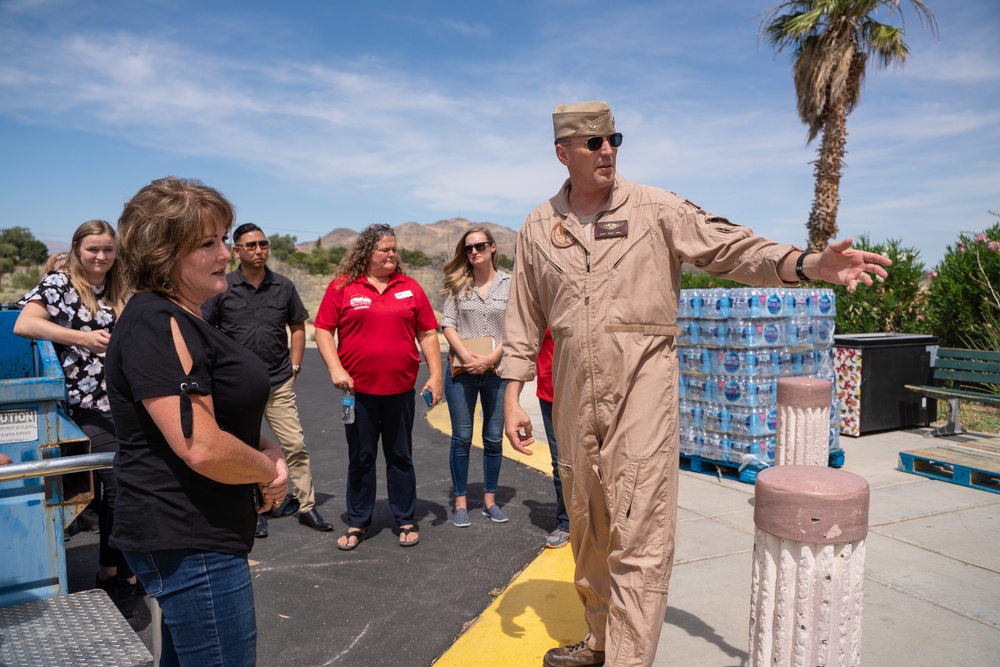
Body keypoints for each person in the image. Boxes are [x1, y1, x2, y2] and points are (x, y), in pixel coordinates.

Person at [499, 101, 892, 667]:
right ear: (563, 153)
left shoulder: (656, 209)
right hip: (572, 400)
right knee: (587, 528)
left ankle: (628, 659)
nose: (607, 149)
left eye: (613, 139)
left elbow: (732, 249)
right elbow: (523, 316)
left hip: (643, 392)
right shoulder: (539, 226)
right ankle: (601, 637)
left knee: (640, 534)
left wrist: (807, 264)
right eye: (593, 142)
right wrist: (513, 396)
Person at [107, 176, 289, 665]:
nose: (225, 254)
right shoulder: (154, 321)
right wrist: (268, 472)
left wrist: (264, 446)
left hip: (201, 535)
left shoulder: (182, 317)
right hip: (188, 539)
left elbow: (218, 411)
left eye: (222, 240)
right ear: (164, 254)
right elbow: (200, 445)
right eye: (207, 244)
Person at [14, 220, 135, 616]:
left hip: (124, 402)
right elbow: (23, 323)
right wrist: (83, 338)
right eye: (93, 250)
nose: (101, 257)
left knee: (129, 487)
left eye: (108, 250)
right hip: (83, 405)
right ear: (77, 249)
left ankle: (124, 569)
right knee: (118, 485)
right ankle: (110, 572)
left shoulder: (121, 286)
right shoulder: (59, 285)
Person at [313, 224, 442, 550]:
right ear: (366, 252)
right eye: (384, 249)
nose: (391, 255)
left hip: (399, 392)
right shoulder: (343, 287)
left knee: (401, 456)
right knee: (361, 457)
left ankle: (405, 518)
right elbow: (324, 330)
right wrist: (335, 367)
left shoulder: (410, 287)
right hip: (356, 395)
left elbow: (427, 333)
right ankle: (358, 522)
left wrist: (436, 374)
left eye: (394, 249)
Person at [203, 222, 333, 538]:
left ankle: (305, 505)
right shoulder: (222, 287)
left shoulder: (284, 286)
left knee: (295, 445)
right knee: (244, 449)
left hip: (278, 381)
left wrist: (296, 365)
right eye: (251, 245)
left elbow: (298, 326)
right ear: (236, 251)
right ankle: (254, 508)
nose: (259, 250)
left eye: (263, 244)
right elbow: (206, 331)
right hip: (237, 388)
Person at [439, 227, 510, 527]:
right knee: (462, 437)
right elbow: (448, 324)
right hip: (461, 370)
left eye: (480, 246)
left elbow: (517, 327)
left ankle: (490, 502)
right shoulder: (458, 284)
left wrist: (492, 358)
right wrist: (467, 357)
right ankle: (460, 504)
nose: (474, 252)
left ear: (493, 248)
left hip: (497, 371)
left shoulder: (511, 284)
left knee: (493, 438)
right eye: (468, 248)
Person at [536, 328, 569, 549]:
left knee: (596, 459)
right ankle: (566, 522)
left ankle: (599, 521)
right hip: (549, 393)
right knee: (560, 463)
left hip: (581, 392)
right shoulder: (543, 301)